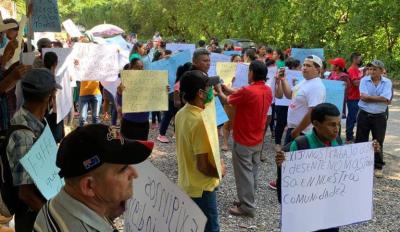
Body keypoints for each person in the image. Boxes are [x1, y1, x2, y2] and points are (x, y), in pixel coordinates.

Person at [275, 103, 381, 232]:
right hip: (305, 213)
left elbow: (348, 171)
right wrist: (282, 166)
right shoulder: (298, 146)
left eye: (338, 124)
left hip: (331, 212)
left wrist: (369, 153)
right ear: (316, 124)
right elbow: (285, 187)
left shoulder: (338, 143)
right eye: (331, 124)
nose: (336, 129)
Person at [34, 124, 154, 231]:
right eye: (123, 169)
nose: (134, 173)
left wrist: (108, 214)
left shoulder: (56, 204)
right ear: (89, 186)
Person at [6, 69, 61, 232]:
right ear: (48, 97)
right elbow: (26, 193)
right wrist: (54, 217)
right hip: (31, 217)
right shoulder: (24, 135)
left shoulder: (36, 120)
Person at [216, 60, 272, 217]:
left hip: (244, 138)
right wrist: (228, 89)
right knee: (252, 170)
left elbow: (227, 100)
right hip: (257, 137)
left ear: (252, 73)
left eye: (249, 71)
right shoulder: (267, 90)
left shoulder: (248, 91)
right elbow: (241, 93)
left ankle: (247, 206)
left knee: (243, 173)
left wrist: (220, 90)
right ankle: (248, 199)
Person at [175, 70, 225, 232]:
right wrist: (219, 171)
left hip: (187, 184)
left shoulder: (182, 113)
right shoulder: (199, 121)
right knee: (210, 228)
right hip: (202, 189)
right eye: (209, 87)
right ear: (200, 93)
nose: (213, 90)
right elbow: (202, 166)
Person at [275, 55, 326, 145]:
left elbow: (313, 112)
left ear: (318, 70)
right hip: (295, 129)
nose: (304, 68)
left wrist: (297, 130)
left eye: (308, 66)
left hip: (303, 132)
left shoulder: (316, 86)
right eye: (304, 65)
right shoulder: (305, 81)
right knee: (287, 157)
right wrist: (283, 80)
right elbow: (290, 95)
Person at [355, 60, 392, 178]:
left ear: (381, 70)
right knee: (361, 140)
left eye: (375, 69)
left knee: (378, 141)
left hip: (380, 116)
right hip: (364, 114)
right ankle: (359, 164)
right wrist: (380, 98)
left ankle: (378, 166)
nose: (371, 71)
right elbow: (363, 97)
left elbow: (387, 98)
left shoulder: (387, 82)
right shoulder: (364, 80)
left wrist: (369, 98)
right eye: (370, 69)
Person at [157, 62, 192, 143]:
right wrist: (177, 101)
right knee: (167, 116)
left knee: (178, 117)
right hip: (172, 101)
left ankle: (176, 133)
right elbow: (176, 90)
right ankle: (161, 135)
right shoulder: (182, 80)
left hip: (177, 102)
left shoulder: (184, 78)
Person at [43, 52, 65, 143]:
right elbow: (53, 96)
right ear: (55, 63)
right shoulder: (50, 76)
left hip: (44, 111)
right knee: (54, 137)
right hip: (51, 111)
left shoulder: (41, 73)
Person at [346, 52, 363, 142]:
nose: (361, 60)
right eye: (359, 58)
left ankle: (352, 136)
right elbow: (356, 83)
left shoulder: (357, 69)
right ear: (354, 59)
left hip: (357, 97)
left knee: (356, 118)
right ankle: (349, 136)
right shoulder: (352, 69)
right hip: (352, 98)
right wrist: (366, 78)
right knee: (352, 118)